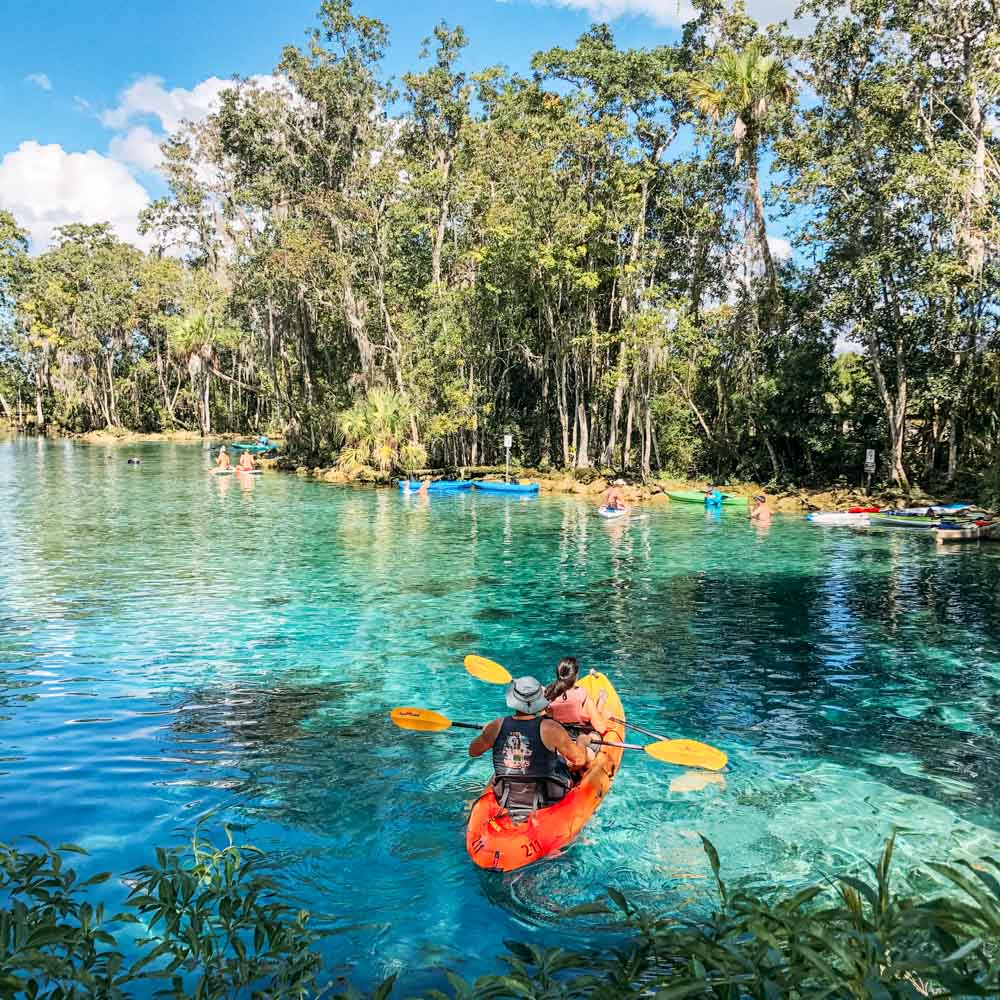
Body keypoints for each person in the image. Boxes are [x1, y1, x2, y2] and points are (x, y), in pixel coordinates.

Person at [468, 676, 591, 820]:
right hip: (547, 798)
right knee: (570, 764)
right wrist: (582, 741)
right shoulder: (551, 728)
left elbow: (473, 751)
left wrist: (487, 731)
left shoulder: (496, 726)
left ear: (514, 701)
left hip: (507, 798)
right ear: (539, 701)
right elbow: (580, 760)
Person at [544, 657, 612, 735]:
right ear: (576, 676)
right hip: (577, 738)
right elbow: (600, 728)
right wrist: (600, 703)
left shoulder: (548, 693)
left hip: (555, 736)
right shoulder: (582, 694)